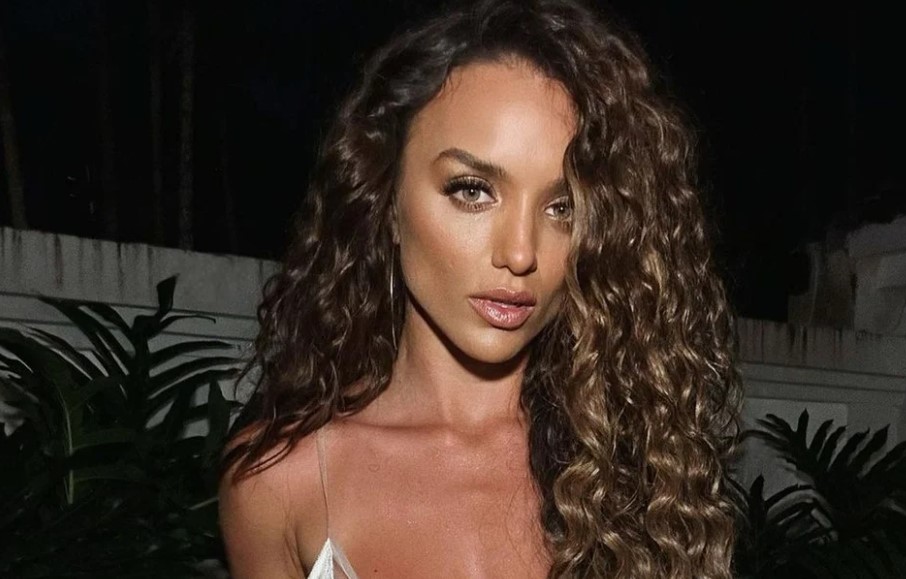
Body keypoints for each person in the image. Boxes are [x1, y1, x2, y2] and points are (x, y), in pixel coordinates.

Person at [219, 0, 743, 577]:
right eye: (472, 190)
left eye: (563, 207)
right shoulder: (280, 482)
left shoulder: (638, 467)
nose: (519, 253)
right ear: (384, 202)